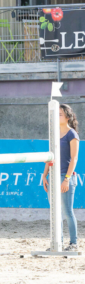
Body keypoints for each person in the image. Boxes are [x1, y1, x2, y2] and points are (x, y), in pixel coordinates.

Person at [42, 104, 80, 251]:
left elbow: (74, 158)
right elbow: (50, 156)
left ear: (68, 117)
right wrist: (44, 175)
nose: (56, 116)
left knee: (67, 212)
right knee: (55, 212)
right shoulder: (54, 133)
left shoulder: (72, 135)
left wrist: (67, 179)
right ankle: (58, 243)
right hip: (52, 176)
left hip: (66, 177)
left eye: (60, 114)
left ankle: (73, 243)